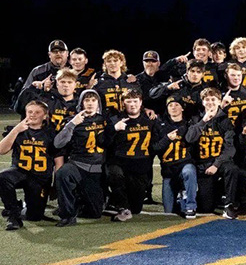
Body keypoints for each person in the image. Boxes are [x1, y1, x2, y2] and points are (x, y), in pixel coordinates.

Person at [0, 101, 62, 230]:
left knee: (34, 216)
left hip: (40, 178)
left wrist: (57, 183)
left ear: (45, 115)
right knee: (3, 177)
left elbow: (58, 159)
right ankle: (13, 216)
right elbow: (1, 150)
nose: (33, 115)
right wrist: (16, 130)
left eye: (37, 112)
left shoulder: (51, 133)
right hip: (20, 172)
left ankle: (19, 206)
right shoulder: (17, 130)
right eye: (30, 112)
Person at [53, 90, 109, 227]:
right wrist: (72, 124)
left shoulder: (106, 120)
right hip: (77, 164)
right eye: (87, 100)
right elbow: (57, 143)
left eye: (93, 100)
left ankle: (78, 203)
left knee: (95, 213)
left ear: (98, 103)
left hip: (97, 169)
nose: (90, 103)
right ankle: (67, 215)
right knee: (62, 174)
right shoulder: (73, 120)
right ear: (81, 103)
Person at [185, 88, 238, 216]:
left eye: (213, 99)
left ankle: (229, 205)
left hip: (218, 163)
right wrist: (203, 121)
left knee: (232, 169)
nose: (210, 102)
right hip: (202, 164)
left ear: (220, 102)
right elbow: (189, 139)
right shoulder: (196, 118)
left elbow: (230, 148)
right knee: (206, 207)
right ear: (202, 102)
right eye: (207, 100)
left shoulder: (225, 121)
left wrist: (216, 164)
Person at [106, 90, 156, 221]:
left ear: (141, 103)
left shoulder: (149, 120)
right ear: (123, 103)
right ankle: (121, 206)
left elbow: (155, 144)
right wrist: (114, 129)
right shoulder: (116, 119)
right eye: (128, 101)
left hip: (140, 163)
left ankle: (112, 199)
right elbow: (104, 142)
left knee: (136, 208)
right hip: (120, 161)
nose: (132, 104)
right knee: (114, 174)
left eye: (135, 101)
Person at [153, 96, 198, 218]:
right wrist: (167, 139)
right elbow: (155, 148)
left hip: (184, 165)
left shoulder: (190, 125)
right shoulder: (160, 125)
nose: (173, 107)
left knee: (189, 171)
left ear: (183, 108)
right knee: (169, 211)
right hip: (168, 170)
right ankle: (180, 195)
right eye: (170, 105)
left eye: (177, 105)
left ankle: (190, 206)